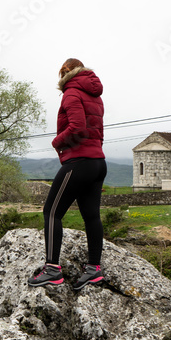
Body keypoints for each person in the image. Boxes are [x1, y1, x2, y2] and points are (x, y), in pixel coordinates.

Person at [28, 58, 107, 291]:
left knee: (51, 213)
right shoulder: (96, 95)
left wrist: (56, 142)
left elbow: (78, 128)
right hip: (98, 162)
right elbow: (96, 131)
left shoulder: (71, 93)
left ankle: (52, 269)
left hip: (79, 163)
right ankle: (94, 269)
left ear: (65, 73)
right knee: (92, 216)